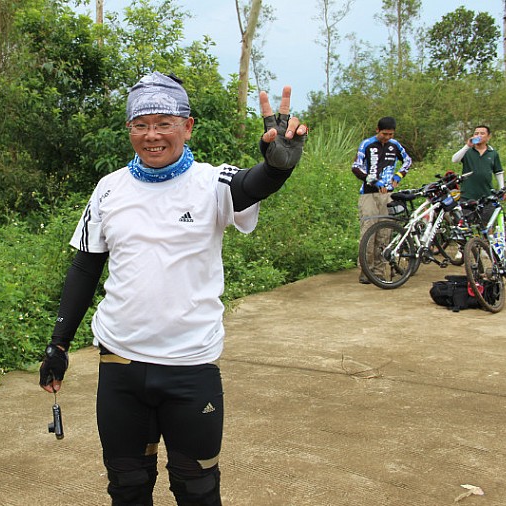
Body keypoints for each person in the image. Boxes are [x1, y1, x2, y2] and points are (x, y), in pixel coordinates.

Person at [38, 71, 307, 506]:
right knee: (127, 487)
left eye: (164, 123)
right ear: (129, 129)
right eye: (141, 125)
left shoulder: (213, 182)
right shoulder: (109, 189)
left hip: (190, 367)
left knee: (197, 489)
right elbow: (86, 267)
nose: (152, 135)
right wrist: (58, 345)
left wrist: (278, 166)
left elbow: (253, 183)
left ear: (188, 126)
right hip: (120, 364)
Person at [351, 117, 412, 284]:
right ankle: (366, 271)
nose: (387, 137)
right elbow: (356, 167)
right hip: (369, 194)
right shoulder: (367, 144)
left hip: (388, 195)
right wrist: (373, 181)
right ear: (377, 130)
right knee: (368, 232)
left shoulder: (395, 145)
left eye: (390, 134)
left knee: (384, 234)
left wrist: (399, 175)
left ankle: (379, 271)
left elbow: (408, 161)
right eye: (384, 134)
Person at [452, 125, 504, 201]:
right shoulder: (467, 151)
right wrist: (467, 146)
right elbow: (454, 160)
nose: (478, 135)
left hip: (487, 194)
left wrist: (502, 188)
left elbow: (498, 172)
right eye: (476, 133)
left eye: (482, 133)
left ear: (488, 136)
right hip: (467, 195)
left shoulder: (493, 153)